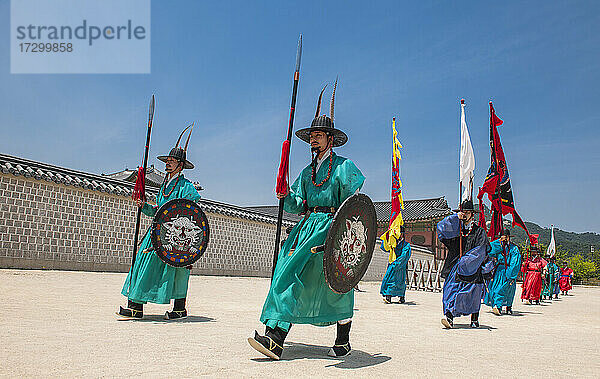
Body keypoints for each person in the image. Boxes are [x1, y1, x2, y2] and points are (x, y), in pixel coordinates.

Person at [248, 82, 365, 360]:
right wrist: (284, 194)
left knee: (335, 281)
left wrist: (341, 233)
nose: (313, 139)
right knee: (287, 272)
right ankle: (275, 337)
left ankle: (343, 339)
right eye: (311, 135)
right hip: (305, 228)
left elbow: (354, 206)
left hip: (333, 228)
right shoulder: (305, 171)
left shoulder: (344, 167)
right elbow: (298, 204)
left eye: (318, 134)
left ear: (330, 139)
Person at [117, 126, 201, 320]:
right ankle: (135, 305)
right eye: (167, 161)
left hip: (177, 234)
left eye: (172, 161)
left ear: (180, 165)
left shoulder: (187, 187)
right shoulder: (164, 185)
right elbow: (158, 210)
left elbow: (190, 213)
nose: (168, 164)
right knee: (141, 261)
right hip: (157, 231)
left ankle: (179, 308)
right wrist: (144, 206)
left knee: (177, 270)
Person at [437, 200, 493, 328]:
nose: (465, 215)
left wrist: (467, 261)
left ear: (472, 214)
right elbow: (441, 228)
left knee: (473, 294)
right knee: (450, 291)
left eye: (467, 213)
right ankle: (449, 318)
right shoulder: (455, 230)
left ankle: (474, 319)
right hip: (455, 267)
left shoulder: (479, 232)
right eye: (463, 212)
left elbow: (481, 250)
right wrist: (455, 218)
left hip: (472, 267)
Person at [484, 229, 521, 315]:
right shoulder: (498, 246)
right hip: (499, 271)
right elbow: (490, 250)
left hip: (509, 270)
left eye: (506, 237)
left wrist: (511, 275)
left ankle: (508, 307)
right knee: (496, 289)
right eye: (502, 237)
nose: (504, 239)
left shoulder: (514, 248)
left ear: (509, 237)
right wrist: (499, 242)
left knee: (508, 290)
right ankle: (498, 306)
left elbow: (515, 262)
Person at [380, 227, 412, 304]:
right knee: (389, 280)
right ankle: (388, 297)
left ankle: (401, 297)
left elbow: (405, 256)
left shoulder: (406, 245)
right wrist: (388, 238)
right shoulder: (393, 242)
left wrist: (397, 263)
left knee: (399, 281)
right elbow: (384, 248)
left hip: (400, 266)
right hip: (392, 264)